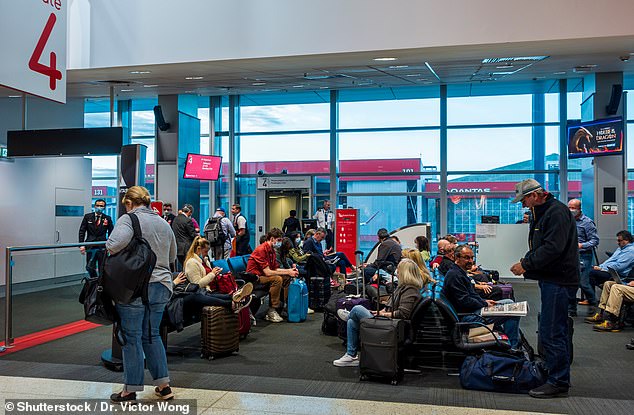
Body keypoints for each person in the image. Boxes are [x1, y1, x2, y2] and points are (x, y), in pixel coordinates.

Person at [105, 186, 177, 403]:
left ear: (129, 203)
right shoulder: (163, 222)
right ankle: (164, 386)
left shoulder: (128, 219)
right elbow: (172, 254)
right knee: (152, 334)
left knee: (132, 337)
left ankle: (130, 390)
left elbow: (113, 245)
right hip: (162, 285)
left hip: (136, 287)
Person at [510, 178, 578, 399]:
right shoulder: (544, 212)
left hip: (559, 280)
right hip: (553, 279)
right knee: (551, 329)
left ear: (536, 195)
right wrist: (528, 260)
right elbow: (542, 245)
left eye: (524, 200)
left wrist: (526, 265)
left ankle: (558, 381)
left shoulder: (556, 213)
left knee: (552, 332)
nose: (523, 205)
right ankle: (552, 374)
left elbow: (552, 248)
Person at [333, 258, 423, 367]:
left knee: (357, 309)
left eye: (398, 270)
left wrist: (383, 314)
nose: (396, 272)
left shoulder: (410, 290)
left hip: (394, 326)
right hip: (389, 321)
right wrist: (379, 312)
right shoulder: (403, 288)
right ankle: (351, 356)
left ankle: (347, 317)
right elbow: (390, 308)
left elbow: (403, 314)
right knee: (352, 322)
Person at [443, 245, 520, 348]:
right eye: (466, 258)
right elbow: (464, 301)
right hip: (469, 317)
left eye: (471, 258)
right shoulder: (455, 275)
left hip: (472, 311)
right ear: (457, 258)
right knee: (514, 311)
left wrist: (485, 301)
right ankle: (513, 348)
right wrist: (484, 303)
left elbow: (471, 295)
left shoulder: (459, 273)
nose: (470, 261)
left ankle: (510, 342)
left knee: (510, 302)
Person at [183, 236, 252, 311]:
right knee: (222, 297)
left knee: (225, 295)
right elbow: (197, 284)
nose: (206, 254)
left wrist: (215, 273)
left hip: (209, 289)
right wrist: (212, 274)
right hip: (202, 291)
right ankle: (236, 299)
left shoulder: (204, 261)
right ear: (199, 249)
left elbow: (207, 276)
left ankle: (237, 297)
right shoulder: (191, 263)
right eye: (205, 251)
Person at [246, 228, 299, 323]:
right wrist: (287, 271)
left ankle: (283, 306)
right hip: (255, 278)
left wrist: (289, 271)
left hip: (263, 276)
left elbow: (275, 269)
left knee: (286, 277)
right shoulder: (261, 249)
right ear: (271, 239)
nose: (280, 242)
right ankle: (272, 310)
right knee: (277, 279)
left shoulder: (272, 250)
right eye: (278, 240)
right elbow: (268, 272)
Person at [568, 199, 599, 314]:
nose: (570, 210)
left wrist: (581, 245)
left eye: (573, 208)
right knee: (571, 283)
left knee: (583, 283)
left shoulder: (587, 222)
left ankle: (593, 302)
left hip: (584, 255)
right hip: (570, 256)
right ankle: (571, 308)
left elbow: (595, 241)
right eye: (569, 207)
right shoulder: (568, 220)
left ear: (579, 209)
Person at [79, 199, 114, 279]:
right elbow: (82, 231)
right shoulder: (87, 217)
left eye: (101, 206)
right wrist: (81, 245)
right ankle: (94, 280)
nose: (99, 207)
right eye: (97, 205)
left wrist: (110, 245)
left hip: (102, 247)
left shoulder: (107, 218)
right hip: (90, 246)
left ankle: (101, 283)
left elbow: (111, 233)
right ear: (94, 206)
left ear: (104, 207)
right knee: (90, 267)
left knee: (103, 267)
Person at [171, 204, 199, 269]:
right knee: (189, 268)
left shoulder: (175, 219)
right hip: (187, 249)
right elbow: (192, 234)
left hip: (178, 248)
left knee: (184, 267)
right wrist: (198, 235)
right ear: (189, 212)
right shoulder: (188, 220)